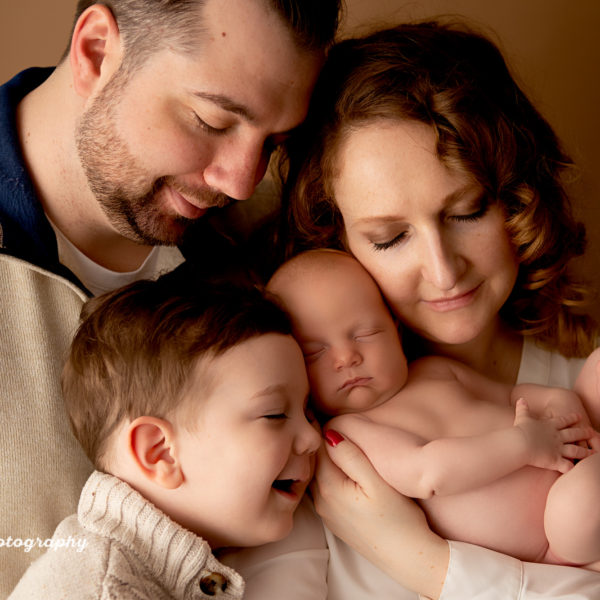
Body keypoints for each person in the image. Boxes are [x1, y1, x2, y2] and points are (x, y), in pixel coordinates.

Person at [0, 1, 341, 594]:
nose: (240, 181)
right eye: (211, 122)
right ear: (97, 51)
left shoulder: (281, 240)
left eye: (275, 142)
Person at [264, 18, 600, 600]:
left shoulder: (577, 395)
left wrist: (427, 566)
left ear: (516, 199)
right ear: (334, 240)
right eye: (390, 239)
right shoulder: (306, 452)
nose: (443, 272)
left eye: (467, 211)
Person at [268, 248, 600, 569]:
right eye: (314, 352)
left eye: (366, 333)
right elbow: (428, 473)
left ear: (396, 329)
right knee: (581, 499)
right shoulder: (350, 431)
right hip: (551, 534)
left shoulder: (434, 369)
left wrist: (559, 403)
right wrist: (524, 445)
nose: (346, 358)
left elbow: (513, 395)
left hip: (565, 449)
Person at [9, 271, 323, 599]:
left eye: (308, 410)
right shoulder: (100, 588)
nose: (313, 438)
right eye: (274, 414)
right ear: (159, 452)